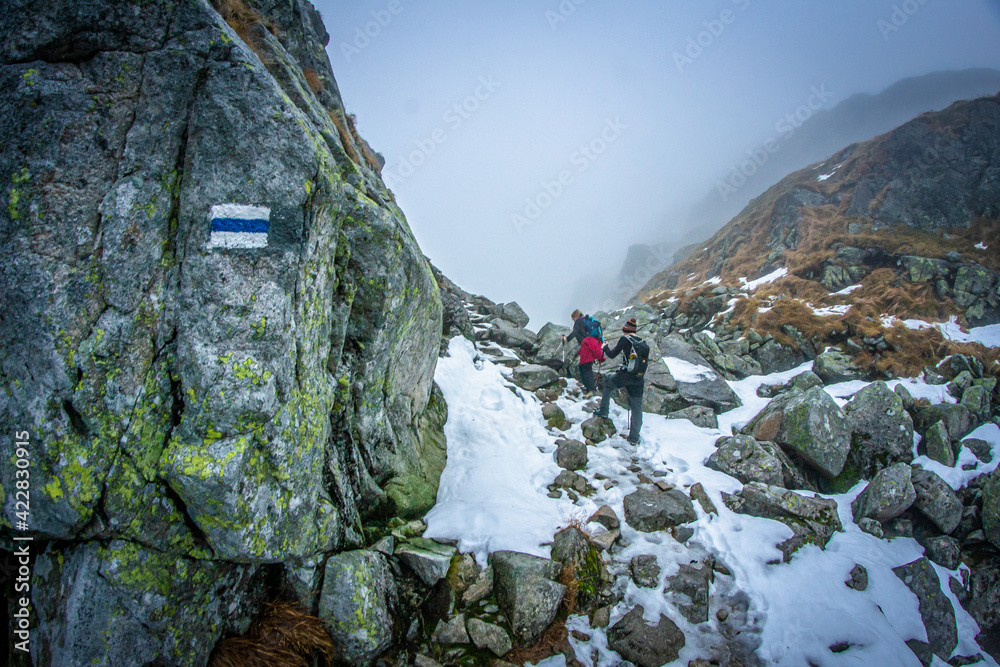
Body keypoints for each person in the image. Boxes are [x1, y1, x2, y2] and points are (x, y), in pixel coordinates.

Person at [593, 317, 646, 444]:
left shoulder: (625, 339)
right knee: (636, 407)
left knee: (607, 384)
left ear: (626, 330)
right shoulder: (642, 343)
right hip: (639, 379)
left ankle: (604, 411)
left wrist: (604, 347)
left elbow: (611, 354)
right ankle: (634, 438)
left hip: (626, 375)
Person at [561, 309, 603, 397]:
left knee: (585, 367)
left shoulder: (578, 321)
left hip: (586, 346)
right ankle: (590, 388)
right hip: (592, 345)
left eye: (573, 319)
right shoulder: (586, 321)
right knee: (584, 367)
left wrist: (567, 339)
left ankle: (590, 390)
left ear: (575, 316)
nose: (573, 321)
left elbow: (575, 332)